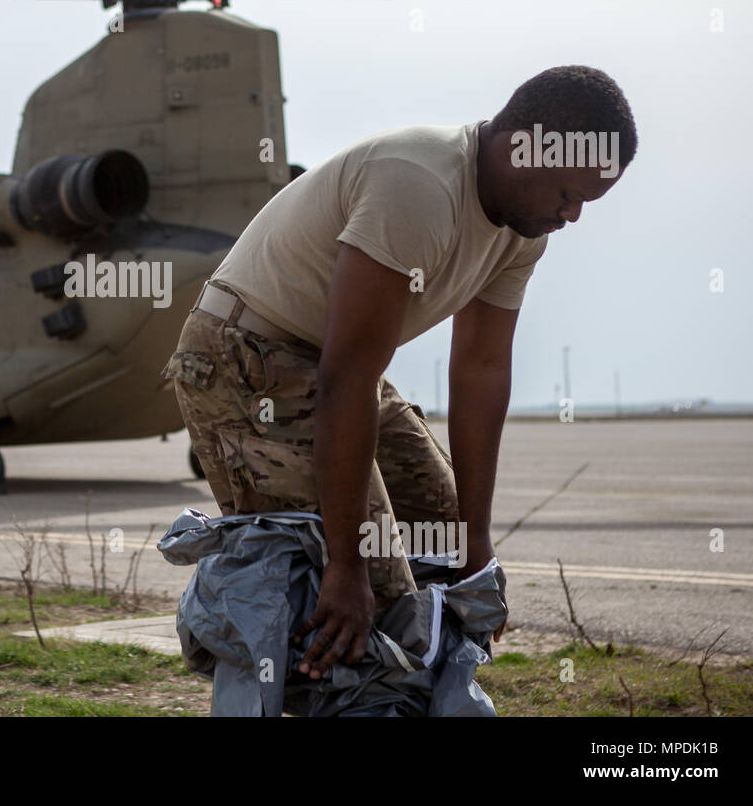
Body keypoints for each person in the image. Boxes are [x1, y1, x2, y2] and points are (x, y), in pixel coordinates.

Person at [161, 65, 637, 680]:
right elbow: (346, 378)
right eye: (568, 195)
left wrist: (478, 547)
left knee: (441, 540)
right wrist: (345, 566)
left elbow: (481, 372)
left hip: (334, 363)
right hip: (245, 357)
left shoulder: (523, 231)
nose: (572, 216)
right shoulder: (419, 186)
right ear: (524, 148)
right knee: (361, 584)